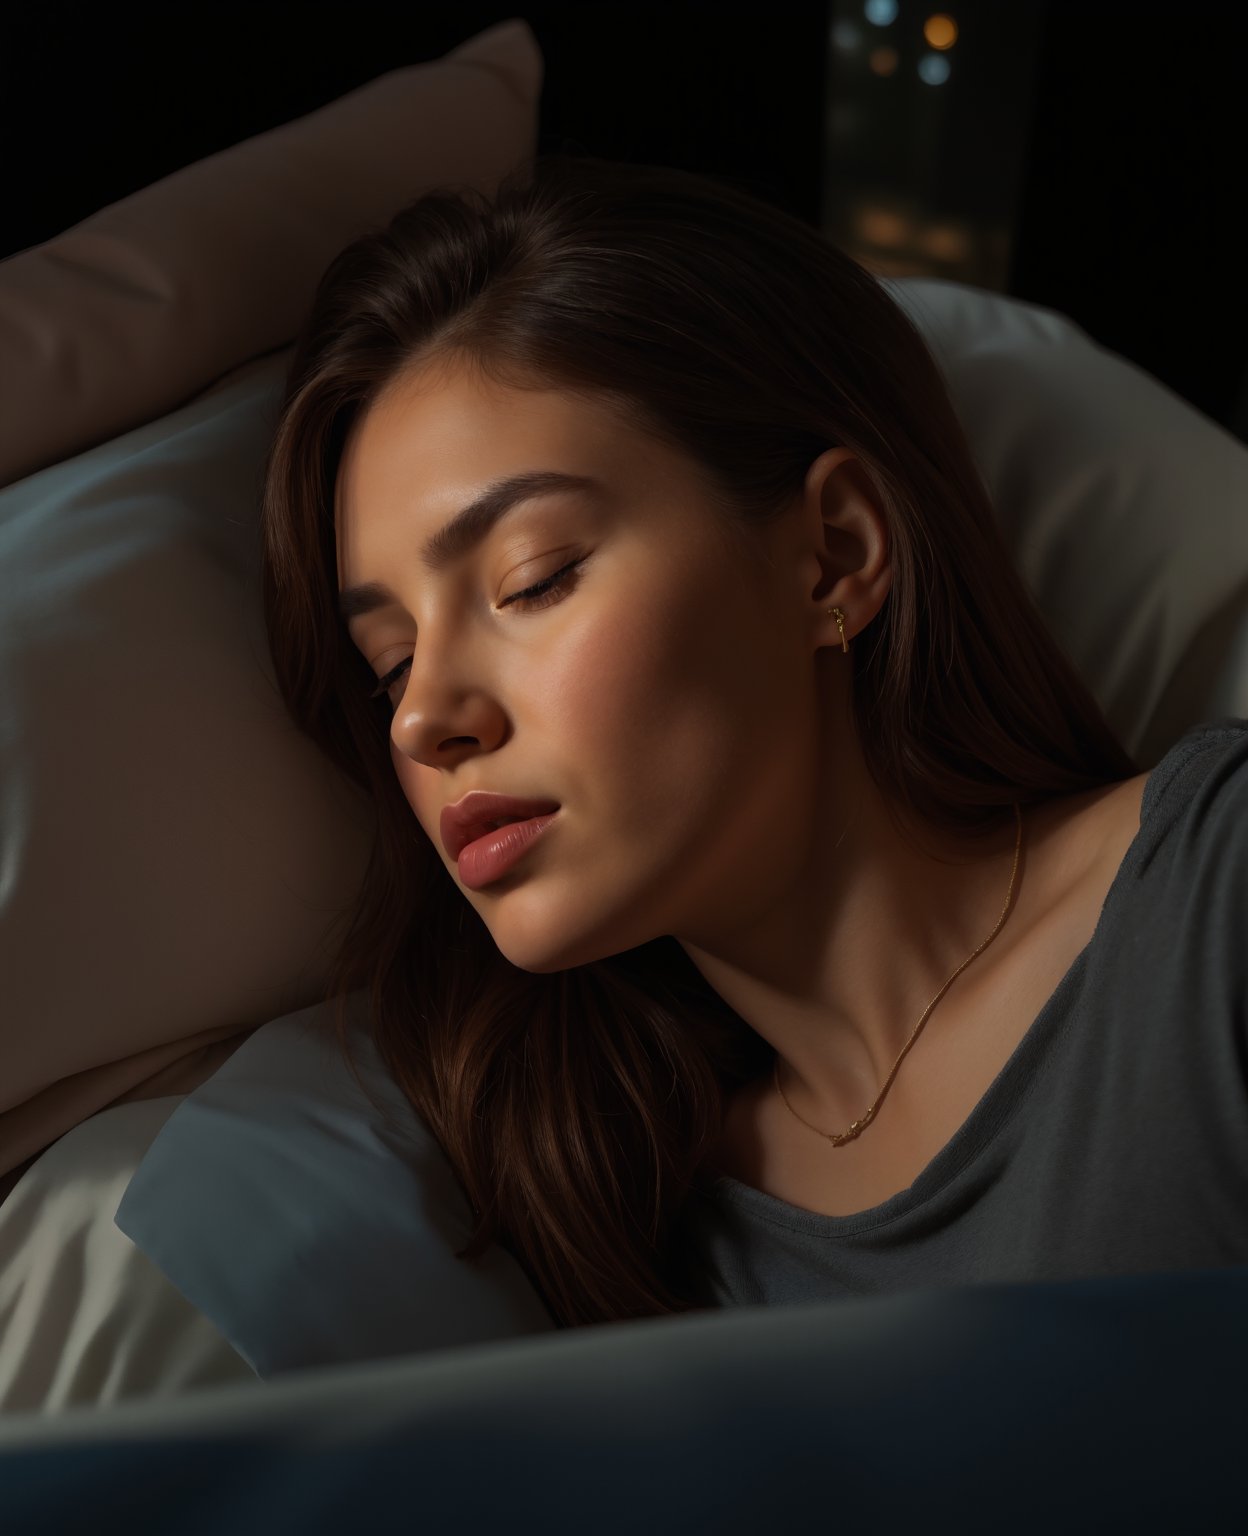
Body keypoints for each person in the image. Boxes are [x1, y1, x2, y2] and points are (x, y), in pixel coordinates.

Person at [258, 151, 1246, 1327]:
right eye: (389, 665)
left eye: (533, 578)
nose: (424, 718)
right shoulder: (639, 1237)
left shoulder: (1213, 913)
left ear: (834, 550)